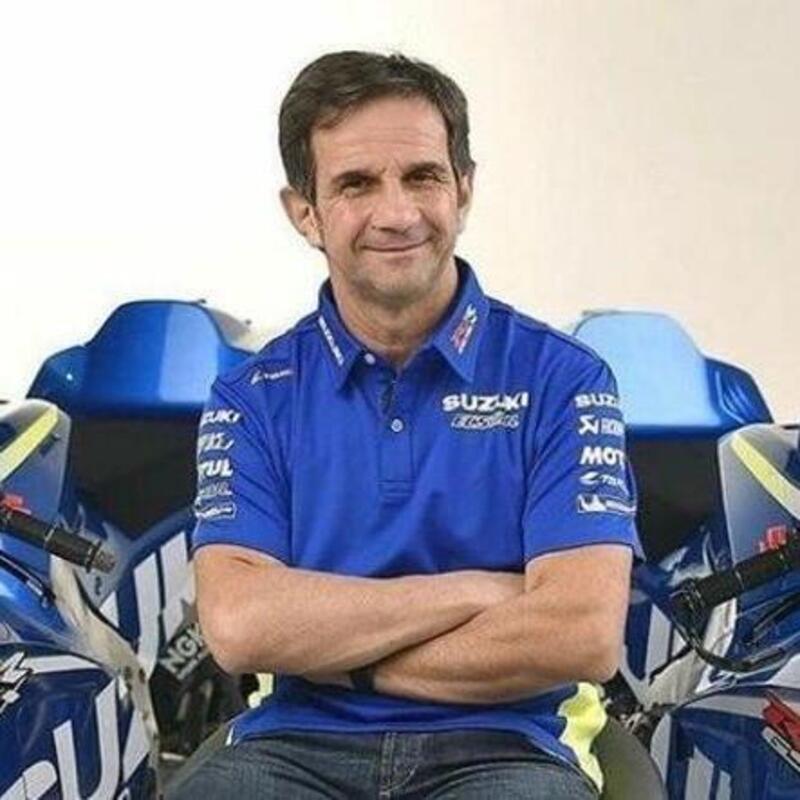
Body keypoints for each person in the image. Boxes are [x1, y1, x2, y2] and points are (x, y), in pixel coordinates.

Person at [173, 50, 642, 799]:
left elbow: (579, 634)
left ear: (464, 188)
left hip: (512, 746)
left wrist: (347, 660)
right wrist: (478, 591)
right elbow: (240, 626)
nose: (397, 214)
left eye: (422, 177)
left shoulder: (564, 379)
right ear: (304, 212)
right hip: (292, 747)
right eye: (356, 184)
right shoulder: (251, 396)